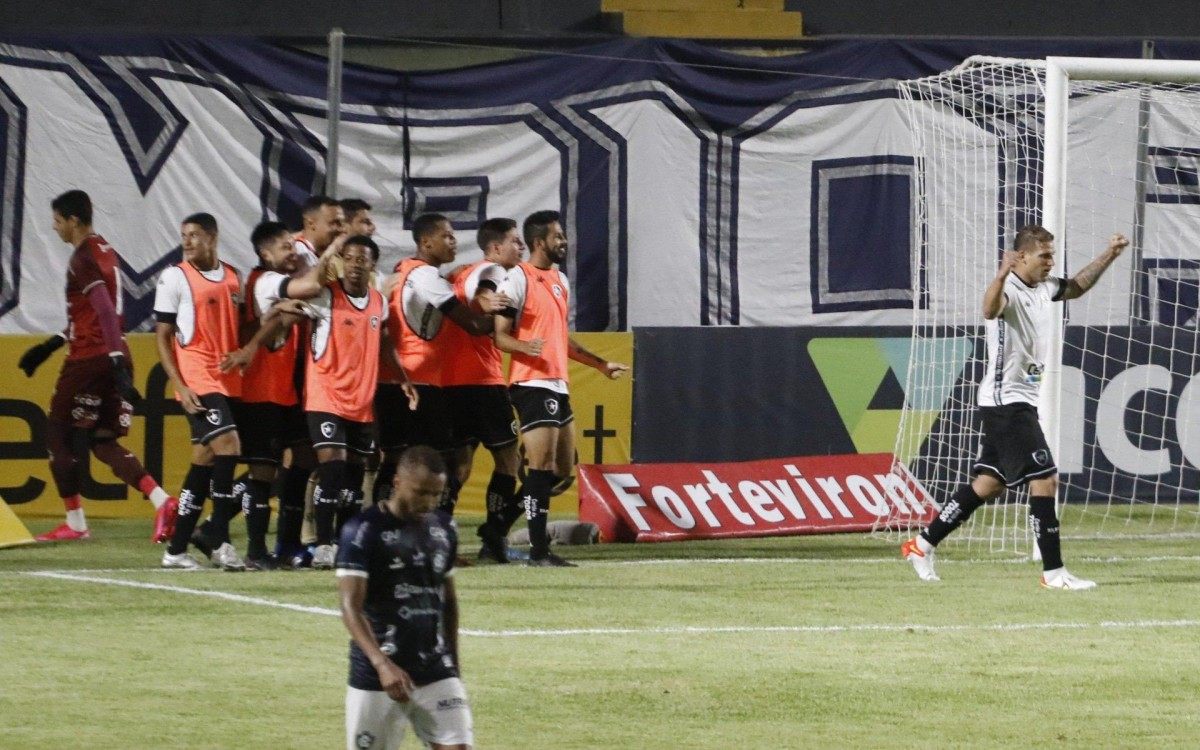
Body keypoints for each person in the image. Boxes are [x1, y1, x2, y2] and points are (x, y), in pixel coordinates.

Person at [903, 225, 1130, 589]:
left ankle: (922, 544)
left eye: (1051, 255)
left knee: (989, 484)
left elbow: (1076, 286)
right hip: (1006, 402)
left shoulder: (1044, 287)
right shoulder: (1007, 288)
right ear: (1021, 256)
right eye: (1044, 255)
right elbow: (989, 309)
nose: (1050, 262)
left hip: (1016, 401)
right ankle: (1054, 573)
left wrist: (1110, 254)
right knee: (1045, 479)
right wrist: (999, 274)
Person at [19, 189, 177, 543]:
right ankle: (162, 501)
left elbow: (105, 309)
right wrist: (51, 344)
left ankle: (75, 523)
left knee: (57, 434)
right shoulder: (106, 249)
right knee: (103, 441)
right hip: (112, 352)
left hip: (91, 359)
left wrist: (112, 359)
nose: (55, 227)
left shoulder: (82, 257)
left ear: (73, 220)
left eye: (58, 221)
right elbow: (96, 315)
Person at [493, 210, 629, 566]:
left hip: (557, 383)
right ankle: (540, 550)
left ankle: (496, 528)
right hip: (531, 383)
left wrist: (600, 365)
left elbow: (561, 339)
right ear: (539, 242)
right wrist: (525, 348)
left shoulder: (560, 281)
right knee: (542, 466)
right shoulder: (517, 279)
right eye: (557, 236)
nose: (563, 241)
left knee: (559, 470)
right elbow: (500, 336)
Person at [283, 235, 417, 570]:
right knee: (332, 469)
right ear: (342, 261)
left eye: (364, 259)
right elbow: (291, 310)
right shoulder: (326, 295)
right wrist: (275, 317)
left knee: (355, 479)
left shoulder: (377, 302)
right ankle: (324, 545)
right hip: (325, 397)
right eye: (351, 258)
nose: (357, 265)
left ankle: (347, 542)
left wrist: (403, 379)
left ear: (373, 265)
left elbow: (384, 342)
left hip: (361, 402)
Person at [336, 445, 473, 750]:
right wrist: (382, 664)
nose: (429, 502)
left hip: (436, 669)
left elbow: (448, 602)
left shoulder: (444, 528)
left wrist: (454, 666)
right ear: (397, 483)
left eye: (436, 494)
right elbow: (350, 607)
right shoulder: (362, 531)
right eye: (421, 492)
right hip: (377, 675)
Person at [374, 213, 508, 514]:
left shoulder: (403, 271)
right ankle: (436, 528)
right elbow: (472, 324)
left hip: (391, 377)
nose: (454, 242)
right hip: (418, 381)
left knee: (394, 458)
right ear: (426, 241)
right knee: (444, 460)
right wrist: (509, 318)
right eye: (446, 236)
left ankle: (383, 524)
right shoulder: (426, 276)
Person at [215, 221, 315, 569]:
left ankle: (281, 544)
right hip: (261, 392)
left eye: (293, 245)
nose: (293, 252)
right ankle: (257, 550)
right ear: (265, 253)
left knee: (302, 459)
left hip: (285, 391)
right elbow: (281, 316)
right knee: (263, 473)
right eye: (285, 247)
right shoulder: (264, 282)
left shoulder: (278, 285)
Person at [443, 218, 542, 563]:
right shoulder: (495, 271)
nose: (522, 248)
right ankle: (493, 538)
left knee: (459, 466)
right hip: (483, 383)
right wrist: (490, 302)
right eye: (516, 242)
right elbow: (486, 292)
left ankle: (442, 542)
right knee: (509, 462)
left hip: (451, 383)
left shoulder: (459, 273)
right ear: (496, 248)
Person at [153, 213, 246, 571]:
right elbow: (163, 335)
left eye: (194, 235)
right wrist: (179, 384)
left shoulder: (234, 277)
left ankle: (175, 551)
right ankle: (219, 538)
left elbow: (241, 324)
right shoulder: (175, 276)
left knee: (203, 463)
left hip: (227, 379)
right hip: (198, 378)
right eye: (184, 235)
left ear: (213, 237)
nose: (187, 241)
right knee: (230, 447)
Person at [294, 195, 345, 269]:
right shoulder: (299, 254)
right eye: (334, 222)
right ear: (311, 223)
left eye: (341, 223)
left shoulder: (331, 257)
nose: (341, 229)